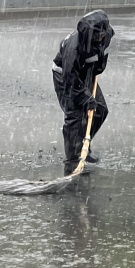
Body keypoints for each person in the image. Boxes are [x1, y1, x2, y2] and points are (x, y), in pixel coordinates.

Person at [52, 10, 115, 175]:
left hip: (87, 72)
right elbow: (70, 77)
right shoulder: (74, 47)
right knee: (74, 117)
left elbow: (102, 58)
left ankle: (83, 147)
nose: (100, 38)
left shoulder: (107, 35)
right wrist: (85, 97)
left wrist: (96, 68)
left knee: (99, 110)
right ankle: (72, 163)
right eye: (96, 36)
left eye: (101, 35)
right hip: (65, 75)